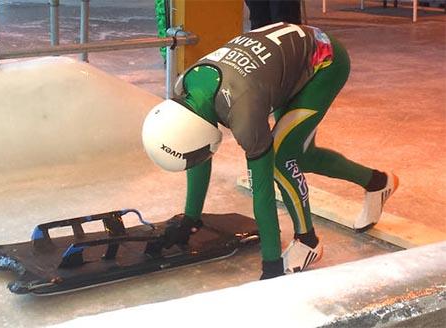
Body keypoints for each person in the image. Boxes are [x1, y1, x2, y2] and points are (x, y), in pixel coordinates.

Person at [142, 22, 399, 279]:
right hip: (283, 61)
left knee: (280, 159)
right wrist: (190, 219)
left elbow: (262, 193)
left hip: (325, 62)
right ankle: (377, 182)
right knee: (301, 155)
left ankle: (307, 241)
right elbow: (197, 154)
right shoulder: (185, 86)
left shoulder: (244, 117)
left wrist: (271, 265)